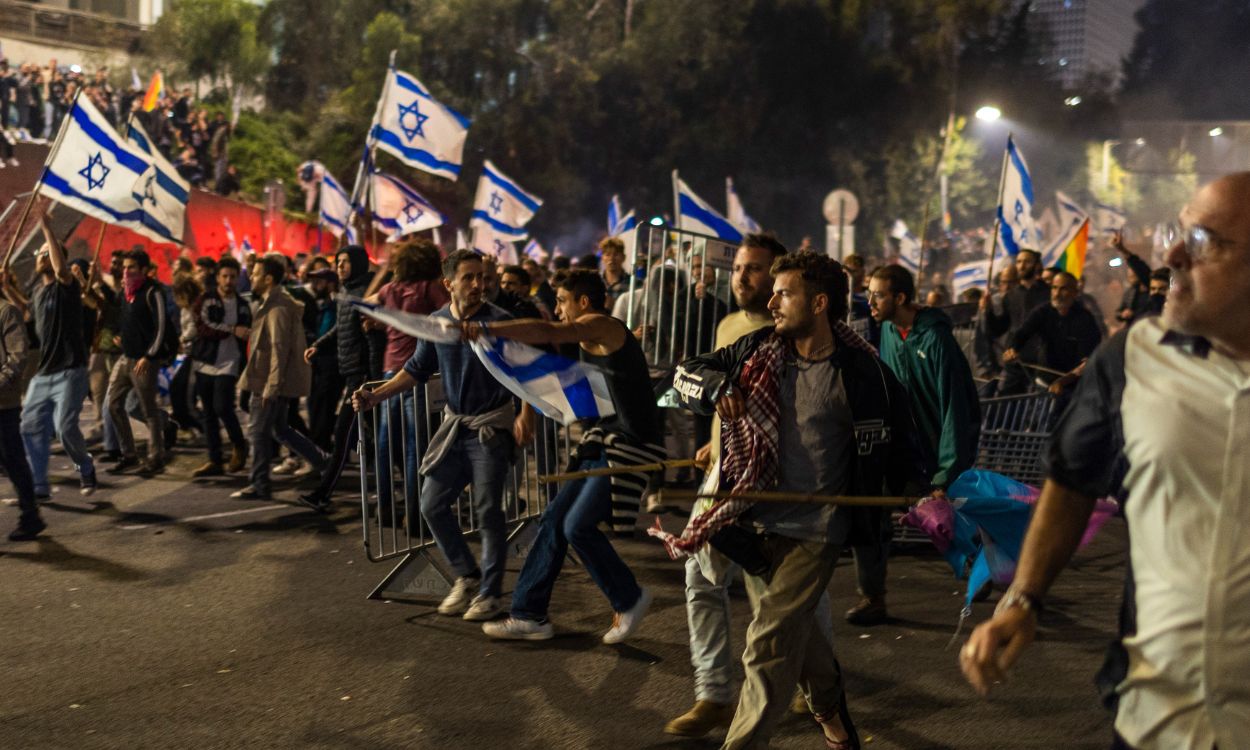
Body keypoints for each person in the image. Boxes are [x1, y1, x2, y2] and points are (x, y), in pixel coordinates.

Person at [960, 172, 1250, 750]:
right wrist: (1023, 598)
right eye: (1177, 232)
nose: (1170, 255)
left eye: (1203, 241)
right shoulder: (1131, 358)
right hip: (1153, 713)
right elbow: (1071, 483)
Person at [670, 251, 924, 749]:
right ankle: (832, 713)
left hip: (815, 531)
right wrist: (717, 385)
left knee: (766, 645)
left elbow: (905, 441)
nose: (772, 301)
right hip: (751, 520)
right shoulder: (757, 350)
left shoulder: (863, 374)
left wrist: (922, 491)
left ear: (820, 303)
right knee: (797, 635)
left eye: (784, 293)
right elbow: (685, 374)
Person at [664, 232, 817, 738]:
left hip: (775, 480)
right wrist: (713, 437)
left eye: (755, 269)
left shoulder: (795, 333)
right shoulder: (731, 325)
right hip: (722, 474)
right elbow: (710, 388)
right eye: (739, 268)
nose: (742, 278)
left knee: (781, 590)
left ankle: (811, 684)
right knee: (701, 578)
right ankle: (713, 694)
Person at [478, 269, 665, 644]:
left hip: (630, 447)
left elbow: (552, 332)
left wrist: (494, 330)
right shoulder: (592, 337)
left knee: (576, 526)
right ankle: (529, 615)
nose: (557, 309)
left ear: (583, 302)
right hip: (604, 441)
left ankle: (629, 598)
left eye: (562, 301)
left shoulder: (600, 324)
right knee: (554, 519)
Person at [353, 250, 530, 620]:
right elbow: (416, 369)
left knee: (487, 510)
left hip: (491, 429)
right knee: (430, 503)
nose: (479, 285)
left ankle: (490, 594)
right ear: (448, 284)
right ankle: (467, 575)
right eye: (469, 278)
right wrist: (375, 396)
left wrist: (526, 414)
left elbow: (527, 373)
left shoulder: (500, 321)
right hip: (455, 427)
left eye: (482, 277)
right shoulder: (435, 322)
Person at [856, 265, 980, 625]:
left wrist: (946, 470)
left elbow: (956, 407)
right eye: (869, 293)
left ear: (900, 298)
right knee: (872, 511)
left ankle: (978, 563)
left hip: (936, 453)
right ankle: (872, 597)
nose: (870, 301)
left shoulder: (937, 339)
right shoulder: (888, 334)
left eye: (878, 294)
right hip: (900, 451)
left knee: (942, 517)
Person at [231, 255, 327, 500]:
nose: (250, 277)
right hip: (266, 379)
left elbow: (279, 350)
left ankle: (259, 484)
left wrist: (271, 388)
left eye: (255, 274)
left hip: (267, 382)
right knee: (279, 429)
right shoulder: (271, 303)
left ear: (268, 279)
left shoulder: (278, 307)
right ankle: (324, 462)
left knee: (258, 432)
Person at [20, 213, 96, 498]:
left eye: (43, 253)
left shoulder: (67, 286)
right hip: (44, 372)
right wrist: (7, 286)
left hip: (70, 370)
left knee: (64, 428)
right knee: (29, 426)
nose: (39, 257)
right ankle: (39, 484)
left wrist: (48, 229)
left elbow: (62, 269)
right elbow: (28, 313)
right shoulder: (39, 292)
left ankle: (84, 467)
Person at [298, 245, 375, 510]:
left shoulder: (365, 293)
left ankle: (323, 493)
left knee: (343, 433)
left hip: (362, 377)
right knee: (364, 436)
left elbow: (372, 338)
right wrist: (319, 345)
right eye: (338, 261)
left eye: (345, 262)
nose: (340, 266)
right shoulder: (346, 292)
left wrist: (371, 377)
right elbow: (340, 330)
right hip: (351, 371)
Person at [105, 250, 172, 476]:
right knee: (113, 404)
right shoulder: (125, 292)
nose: (126, 271)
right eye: (125, 267)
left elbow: (160, 327)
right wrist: (118, 334)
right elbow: (118, 317)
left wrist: (149, 356)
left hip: (144, 360)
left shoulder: (153, 292)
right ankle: (129, 455)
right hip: (126, 357)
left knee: (148, 409)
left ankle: (156, 458)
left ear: (144, 269)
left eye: (132, 267)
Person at [189, 256, 251, 478]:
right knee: (208, 413)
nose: (228, 281)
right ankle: (214, 459)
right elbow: (203, 326)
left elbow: (248, 331)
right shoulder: (206, 300)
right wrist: (232, 330)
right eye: (224, 276)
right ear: (217, 278)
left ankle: (239, 444)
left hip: (230, 363)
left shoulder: (243, 305)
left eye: (233, 277)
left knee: (222, 406)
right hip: (205, 362)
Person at [1002, 270, 1103, 398]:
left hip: (1074, 387)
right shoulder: (1042, 312)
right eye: (1054, 288)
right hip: (1044, 381)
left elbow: (1087, 362)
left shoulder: (1085, 319)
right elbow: (1022, 333)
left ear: (1075, 293)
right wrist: (1012, 349)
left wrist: (1062, 381)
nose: (1057, 294)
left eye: (1063, 289)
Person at [0, 291, 42, 541]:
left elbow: (18, 356)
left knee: (13, 460)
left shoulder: (7, 312)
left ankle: (31, 516)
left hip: (4, 404)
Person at [981, 248, 1050, 394]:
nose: (1022, 266)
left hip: (1041, 360)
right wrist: (987, 311)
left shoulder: (1047, 293)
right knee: (1004, 398)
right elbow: (999, 328)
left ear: (1037, 265)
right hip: (1015, 358)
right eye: (1019, 262)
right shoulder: (1012, 295)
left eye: (1027, 262)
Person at [599, 236, 629, 306]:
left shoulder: (634, 283)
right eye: (607, 254)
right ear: (602, 258)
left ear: (623, 257)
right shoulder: (594, 281)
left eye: (616, 254)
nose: (611, 258)